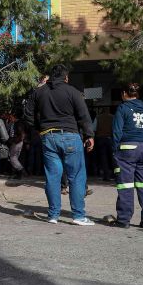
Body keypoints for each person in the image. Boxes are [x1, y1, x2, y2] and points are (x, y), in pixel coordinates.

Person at [24, 64, 95, 226]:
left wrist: (39, 128)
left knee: (52, 176)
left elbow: (27, 113)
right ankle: (78, 216)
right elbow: (84, 115)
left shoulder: (39, 92)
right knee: (76, 176)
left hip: (48, 137)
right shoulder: (73, 92)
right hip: (70, 135)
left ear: (50, 76)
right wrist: (89, 135)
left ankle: (53, 215)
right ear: (66, 77)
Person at [111, 82, 143, 229]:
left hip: (126, 150)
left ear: (124, 93)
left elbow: (117, 132)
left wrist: (115, 150)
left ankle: (123, 220)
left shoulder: (122, 108)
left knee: (126, 186)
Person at [93, 107, 115, 181]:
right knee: (113, 157)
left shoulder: (98, 118)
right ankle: (115, 175)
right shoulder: (113, 117)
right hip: (110, 138)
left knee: (103, 158)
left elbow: (94, 128)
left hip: (101, 138)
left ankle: (106, 175)